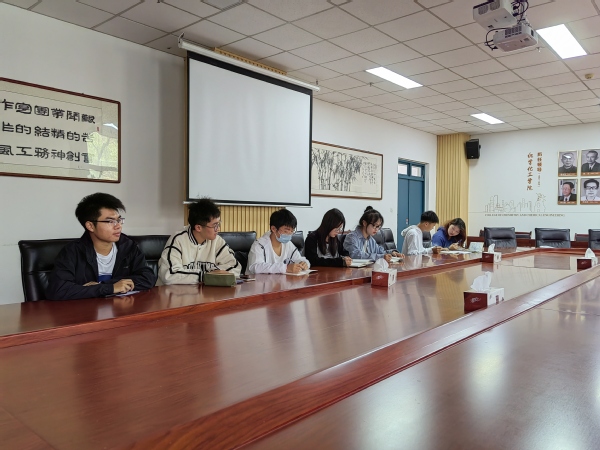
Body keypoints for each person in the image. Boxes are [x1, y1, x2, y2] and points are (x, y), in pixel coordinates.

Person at [46, 193, 157, 300]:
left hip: (121, 308)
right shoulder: (73, 251)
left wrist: (104, 285)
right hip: (86, 311)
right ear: (90, 226)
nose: (118, 226)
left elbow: (148, 278)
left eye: (119, 220)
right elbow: (57, 290)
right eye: (110, 221)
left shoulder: (128, 246)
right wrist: (110, 288)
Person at [158, 198, 240, 284]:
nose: (218, 229)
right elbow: (169, 275)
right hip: (175, 292)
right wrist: (206, 276)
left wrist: (214, 274)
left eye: (219, 224)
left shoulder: (217, 240)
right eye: (215, 225)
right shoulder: (178, 240)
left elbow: (235, 267)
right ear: (198, 228)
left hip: (205, 291)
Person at [247, 209, 310, 274]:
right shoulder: (259, 245)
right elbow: (255, 267)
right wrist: (285, 268)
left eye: (292, 231)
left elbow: (298, 258)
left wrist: (303, 263)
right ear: (273, 229)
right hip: (258, 280)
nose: (289, 234)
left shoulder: (288, 244)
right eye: (286, 231)